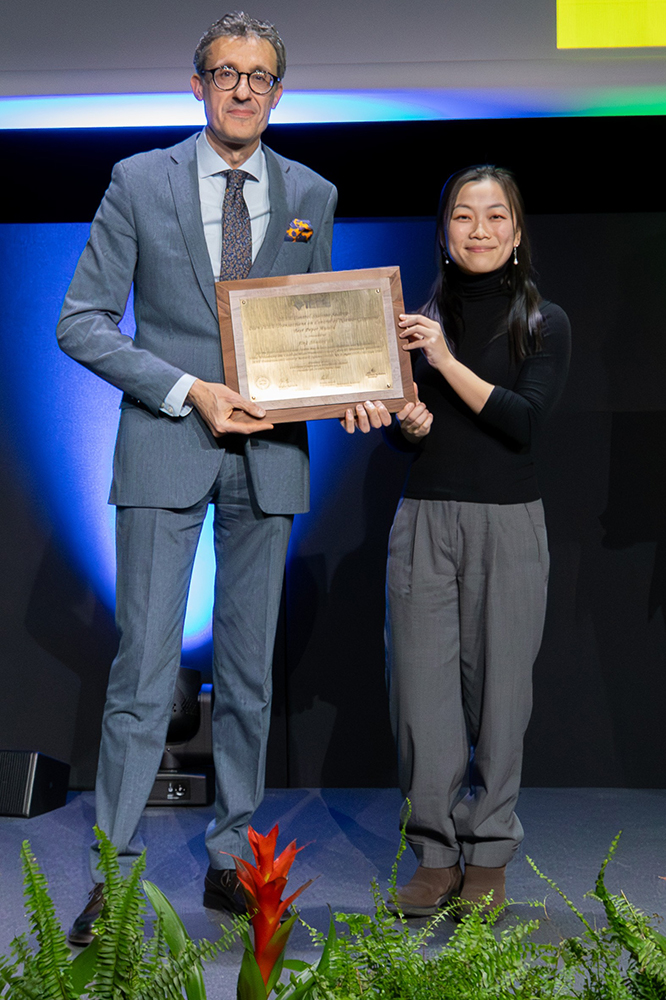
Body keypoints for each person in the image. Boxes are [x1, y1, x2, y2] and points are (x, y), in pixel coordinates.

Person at [57, 11, 350, 944]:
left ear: (277, 92)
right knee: (144, 675)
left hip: (269, 457)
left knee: (249, 677)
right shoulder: (138, 181)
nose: (242, 90)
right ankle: (112, 874)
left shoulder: (313, 192)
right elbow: (82, 321)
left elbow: (314, 332)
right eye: (225, 73)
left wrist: (352, 385)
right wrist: (190, 391)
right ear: (197, 86)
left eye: (260, 77)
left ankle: (231, 863)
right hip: (167, 443)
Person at [384, 165, 571, 917]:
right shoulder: (410, 322)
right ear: (444, 232)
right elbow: (411, 434)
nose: (481, 229)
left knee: (501, 695)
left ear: (517, 232)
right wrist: (408, 424)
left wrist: (444, 364)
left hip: (507, 521)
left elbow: (523, 421)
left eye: (496, 216)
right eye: (464, 216)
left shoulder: (543, 321)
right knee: (419, 697)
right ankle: (433, 853)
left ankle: (488, 852)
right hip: (424, 518)